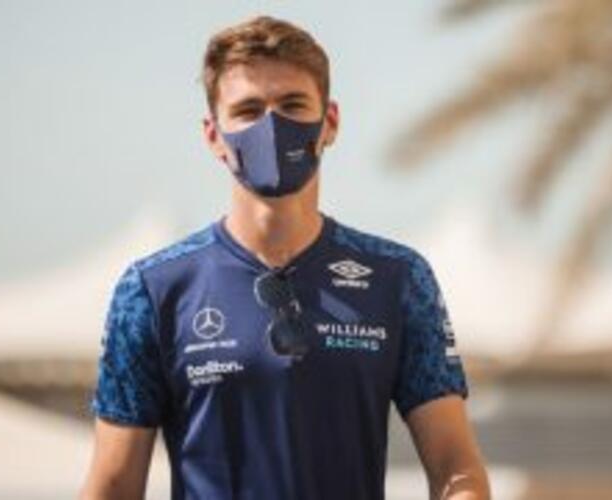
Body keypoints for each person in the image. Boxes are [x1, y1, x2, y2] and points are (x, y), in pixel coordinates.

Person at [79, 15, 490, 500]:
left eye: (293, 105)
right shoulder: (152, 289)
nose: (271, 126)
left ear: (329, 122)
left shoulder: (398, 277)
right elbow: (113, 484)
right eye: (248, 110)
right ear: (213, 135)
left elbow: (455, 465)